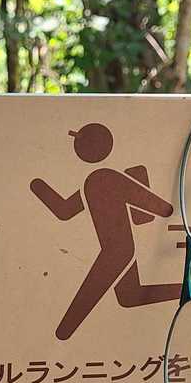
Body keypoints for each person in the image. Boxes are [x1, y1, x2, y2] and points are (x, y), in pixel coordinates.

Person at [30, 123, 179, 340]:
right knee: (121, 295)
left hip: (118, 251)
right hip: (118, 251)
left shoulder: (91, 182)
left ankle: (185, 290)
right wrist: (38, 187)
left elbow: (63, 211)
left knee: (120, 296)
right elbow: (161, 208)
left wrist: (39, 186)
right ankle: (185, 290)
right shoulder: (109, 178)